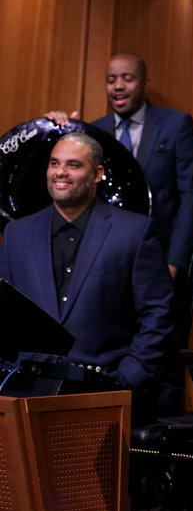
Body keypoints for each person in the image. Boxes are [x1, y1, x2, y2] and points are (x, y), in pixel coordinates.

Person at [0, 133, 173, 416]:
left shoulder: (135, 232)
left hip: (104, 388)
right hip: (24, 392)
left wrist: (129, 377)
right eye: (54, 163)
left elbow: (159, 313)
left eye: (73, 165)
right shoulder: (17, 233)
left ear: (97, 174)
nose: (60, 172)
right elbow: (5, 314)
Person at [45, 52, 193, 280]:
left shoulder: (177, 125)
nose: (118, 86)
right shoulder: (94, 130)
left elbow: (192, 197)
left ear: (145, 84)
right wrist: (53, 128)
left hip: (158, 257)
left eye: (127, 79)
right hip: (102, 260)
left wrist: (174, 262)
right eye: (111, 80)